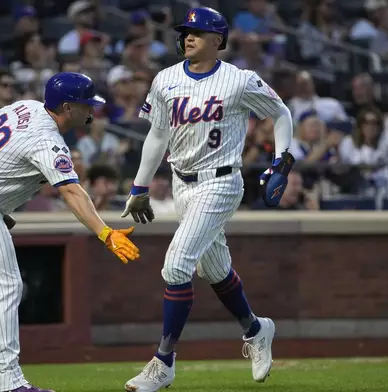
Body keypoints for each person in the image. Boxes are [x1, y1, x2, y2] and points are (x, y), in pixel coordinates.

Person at [0, 72, 140, 392]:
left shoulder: (26, 106)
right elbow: (72, 193)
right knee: (7, 285)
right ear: (68, 107)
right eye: (86, 105)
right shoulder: (47, 140)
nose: (91, 110)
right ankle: (9, 380)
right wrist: (105, 232)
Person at [121, 7, 294, 392]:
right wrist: (139, 186)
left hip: (221, 182)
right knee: (213, 269)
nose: (188, 37)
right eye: (186, 32)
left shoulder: (239, 79)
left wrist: (282, 161)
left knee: (177, 264)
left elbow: (280, 113)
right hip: (182, 183)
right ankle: (255, 328)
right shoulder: (165, 79)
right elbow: (157, 136)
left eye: (198, 32)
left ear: (218, 40)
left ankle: (163, 362)